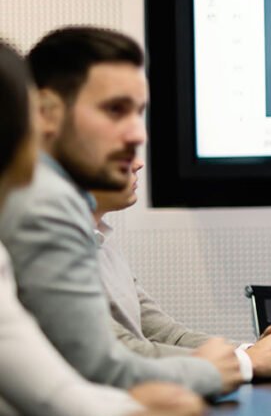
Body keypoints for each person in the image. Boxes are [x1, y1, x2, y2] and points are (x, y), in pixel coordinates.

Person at [0, 26, 243, 398]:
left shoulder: (73, 214)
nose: (137, 135)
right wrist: (232, 366)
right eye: (114, 110)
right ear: (44, 112)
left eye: (138, 113)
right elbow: (96, 369)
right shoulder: (45, 203)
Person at [92, 158, 271, 379]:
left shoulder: (105, 242)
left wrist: (256, 352)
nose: (139, 163)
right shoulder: (71, 250)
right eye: (123, 152)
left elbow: (167, 335)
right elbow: (118, 352)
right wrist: (248, 361)